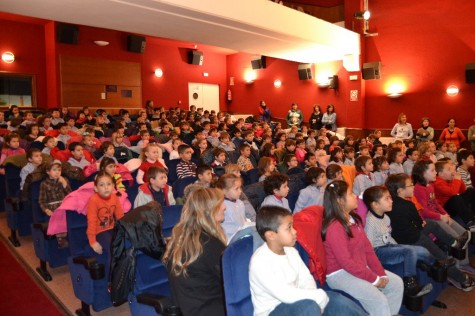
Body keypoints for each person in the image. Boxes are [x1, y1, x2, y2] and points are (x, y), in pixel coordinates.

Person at [250, 205, 367, 316]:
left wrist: (316, 297)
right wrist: (316, 298)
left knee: (335, 300)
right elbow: (285, 294)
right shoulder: (259, 263)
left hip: (299, 302)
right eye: (289, 228)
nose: (295, 231)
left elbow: (306, 279)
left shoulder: (291, 251)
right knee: (310, 306)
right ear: (271, 235)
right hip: (274, 310)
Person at [322, 180, 404, 315]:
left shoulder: (354, 219)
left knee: (395, 283)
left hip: (358, 265)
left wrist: (380, 273)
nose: (355, 196)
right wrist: (374, 278)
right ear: (339, 201)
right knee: (378, 300)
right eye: (350, 194)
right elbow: (346, 262)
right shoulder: (334, 227)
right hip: (340, 273)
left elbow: (368, 249)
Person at [385, 173, 474, 291]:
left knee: (431, 224)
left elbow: (416, 222)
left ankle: (454, 242)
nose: (413, 187)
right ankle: (464, 280)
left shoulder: (389, 204)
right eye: (410, 185)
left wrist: (419, 223)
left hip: (402, 236)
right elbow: (418, 223)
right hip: (413, 238)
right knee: (441, 256)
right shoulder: (408, 204)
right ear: (400, 191)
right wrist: (419, 223)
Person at [163, 188, 227, 316]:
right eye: (220, 204)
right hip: (211, 308)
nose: (225, 207)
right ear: (209, 211)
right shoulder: (209, 244)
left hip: (192, 306)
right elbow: (230, 281)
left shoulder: (186, 236)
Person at [362, 186, 434, 298]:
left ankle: (435, 266)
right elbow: (369, 247)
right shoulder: (370, 221)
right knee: (409, 250)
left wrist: (399, 247)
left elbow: (389, 237)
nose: (391, 201)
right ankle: (410, 285)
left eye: (390, 198)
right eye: (387, 199)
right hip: (379, 252)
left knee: (422, 250)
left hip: (389, 246)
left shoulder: (386, 217)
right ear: (375, 204)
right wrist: (374, 266)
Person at [86, 172, 124, 256]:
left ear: (113, 186)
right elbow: (91, 221)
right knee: (113, 250)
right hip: (99, 231)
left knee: (125, 246)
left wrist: (126, 231)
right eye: (102, 185)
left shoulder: (114, 197)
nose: (106, 187)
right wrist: (92, 242)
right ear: (96, 188)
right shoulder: (93, 200)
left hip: (112, 228)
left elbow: (120, 216)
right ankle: (111, 269)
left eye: (108, 184)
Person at [39, 160, 71, 248]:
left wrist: (65, 184)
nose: (57, 172)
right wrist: (46, 209)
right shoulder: (44, 184)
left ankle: (70, 236)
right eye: (54, 170)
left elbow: (71, 195)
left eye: (59, 170)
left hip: (65, 205)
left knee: (70, 214)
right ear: (48, 172)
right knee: (58, 215)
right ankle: (61, 238)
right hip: (53, 207)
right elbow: (41, 200)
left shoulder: (64, 180)